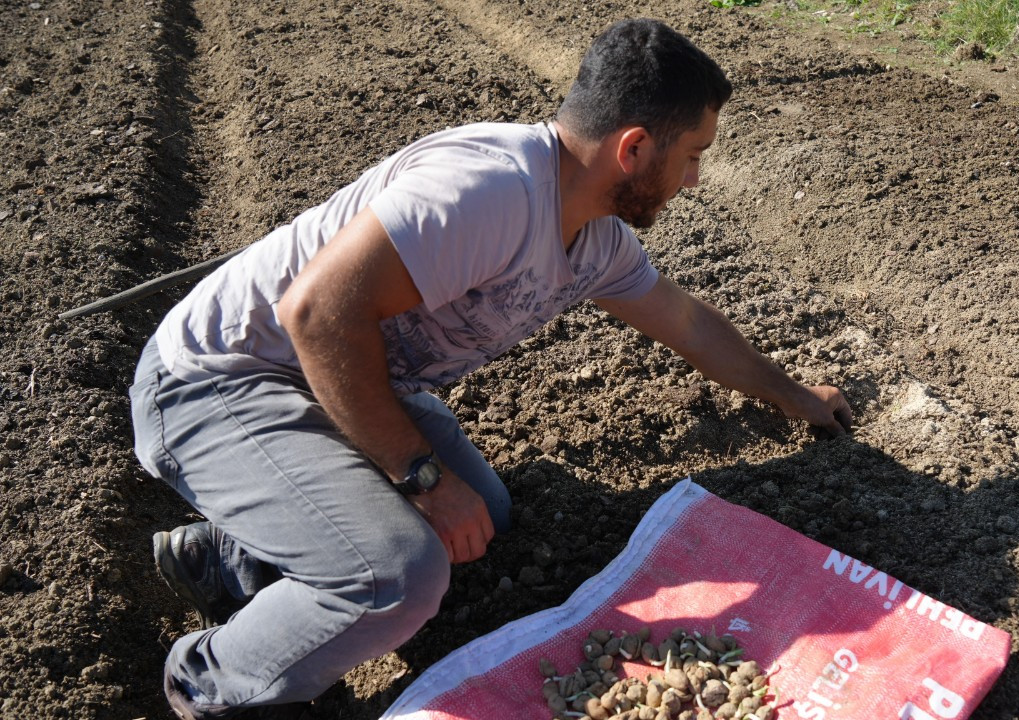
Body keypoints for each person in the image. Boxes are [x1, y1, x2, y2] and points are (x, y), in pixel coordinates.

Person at [130, 17, 853, 719]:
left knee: (484, 518)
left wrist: (793, 396)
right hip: (217, 381)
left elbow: (688, 322)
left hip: (336, 377)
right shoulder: (486, 193)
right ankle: (205, 683)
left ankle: (227, 558)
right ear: (633, 148)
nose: (693, 179)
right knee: (398, 576)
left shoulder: (595, 237)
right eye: (691, 154)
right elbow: (315, 315)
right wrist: (422, 478)